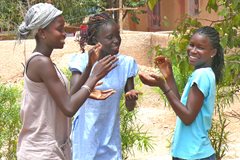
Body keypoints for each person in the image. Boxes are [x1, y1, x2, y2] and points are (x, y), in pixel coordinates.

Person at [16, 3, 117, 160]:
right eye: (59, 29)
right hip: (41, 151)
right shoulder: (41, 63)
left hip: (51, 148)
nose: (64, 33)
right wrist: (94, 77)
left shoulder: (45, 62)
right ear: (42, 33)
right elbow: (69, 107)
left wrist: (89, 68)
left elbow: (68, 97)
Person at [139, 26, 224, 160]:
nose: (193, 50)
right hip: (191, 152)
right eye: (191, 45)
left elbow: (187, 117)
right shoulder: (204, 73)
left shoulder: (201, 75)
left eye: (200, 47)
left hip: (194, 154)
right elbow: (183, 109)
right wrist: (169, 77)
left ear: (213, 52)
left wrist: (163, 86)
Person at [68, 12, 141, 160]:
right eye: (110, 37)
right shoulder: (81, 62)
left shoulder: (126, 64)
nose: (116, 41)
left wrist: (131, 99)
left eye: (118, 35)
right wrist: (90, 69)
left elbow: (130, 107)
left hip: (110, 138)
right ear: (96, 39)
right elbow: (71, 97)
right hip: (85, 137)